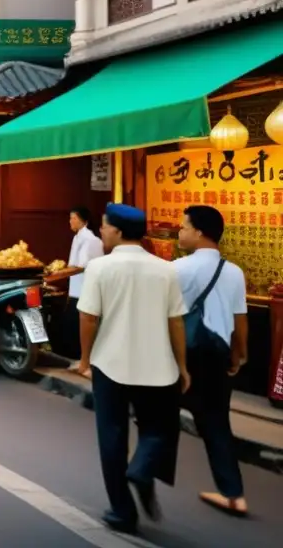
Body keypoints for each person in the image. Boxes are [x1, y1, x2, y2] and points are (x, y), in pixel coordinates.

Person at [77, 203, 189, 534]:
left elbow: (87, 317)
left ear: (119, 231)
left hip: (109, 366)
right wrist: (182, 365)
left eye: (104, 226)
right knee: (160, 429)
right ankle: (141, 468)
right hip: (158, 367)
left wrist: (85, 359)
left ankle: (122, 512)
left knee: (111, 438)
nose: (101, 231)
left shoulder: (99, 267)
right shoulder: (166, 269)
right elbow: (177, 322)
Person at [175, 205, 248, 516]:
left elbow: (168, 317)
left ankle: (141, 474)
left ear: (199, 232)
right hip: (217, 355)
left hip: (183, 354)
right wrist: (239, 354)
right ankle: (234, 494)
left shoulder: (178, 269)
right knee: (217, 423)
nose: (180, 232)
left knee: (158, 415)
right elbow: (240, 320)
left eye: (183, 227)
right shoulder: (233, 272)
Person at [61, 206, 105, 360]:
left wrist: (59, 273)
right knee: (72, 322)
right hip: (75, 287)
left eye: (73, 218)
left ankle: (82, 357)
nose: (70, 221)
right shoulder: (78, 237)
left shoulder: (90, 240)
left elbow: (80, 266)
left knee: (78, 321)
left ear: (83, 221)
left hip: (84, 287)